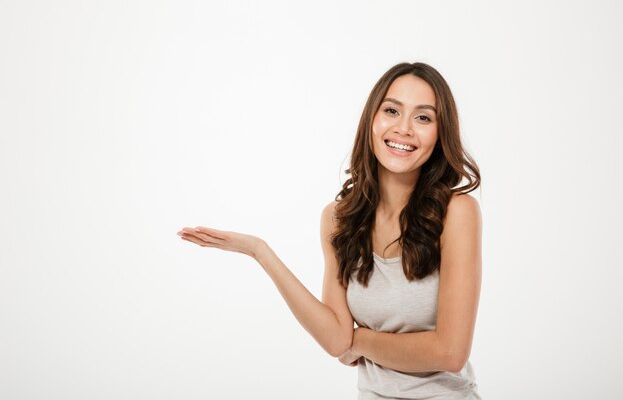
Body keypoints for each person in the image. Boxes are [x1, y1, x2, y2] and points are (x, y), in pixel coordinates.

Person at [177, 62, 482, 400]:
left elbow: (451, 353)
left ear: (440, 134)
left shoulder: (457, 212)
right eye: (392, 110)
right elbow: (337, 339)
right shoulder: (339, 218)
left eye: (423, 117)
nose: (404, 128)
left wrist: (361, 340)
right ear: (371, 120)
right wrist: (260, 252)